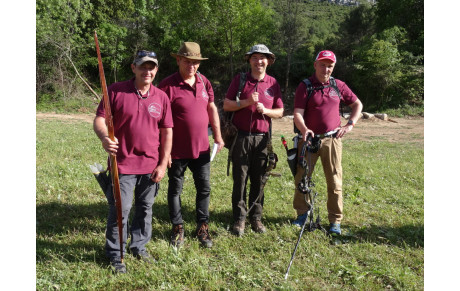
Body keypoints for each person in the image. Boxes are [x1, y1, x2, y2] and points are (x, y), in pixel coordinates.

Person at [93, 50, 173, 273]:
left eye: (152, 67)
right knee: (121, 210)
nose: (147, 71)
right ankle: (116, 254)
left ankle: (139, 247)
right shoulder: (116, 91)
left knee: (145, 209)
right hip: (123, 164)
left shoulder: (161, 97)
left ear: (156, 70)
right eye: (143, 66)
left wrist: (163, 161)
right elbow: (100, 119)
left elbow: (167, 131)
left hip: (150, 165)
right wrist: (105, 137)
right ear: (134, 68)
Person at [158, 42, 224, 248]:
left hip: (202, 148)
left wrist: (218, 136)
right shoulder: (167, 85)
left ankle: (202, 227)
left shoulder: (205, 82)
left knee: (204, 188)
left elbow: (211, 107)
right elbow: (159, 121)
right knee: (175, 189)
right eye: (188, 61)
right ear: (178, 60)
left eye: (196, 62)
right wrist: (164, 152)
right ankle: (177, 227)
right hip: (176, 150)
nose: (192, 66)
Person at [292, 50, 363, 235]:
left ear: (333, 67)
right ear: (315, 65)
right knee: (302, 178)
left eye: (330, 65)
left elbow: (358, 105)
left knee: (334, 181)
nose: (326, 69)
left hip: (332, 140)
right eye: (322, 64)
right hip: (308, 140)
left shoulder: (338, 86)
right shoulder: (305, 86)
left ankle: (335, 221)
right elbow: (298, 113)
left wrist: (350, 125)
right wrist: (304, 129)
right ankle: (302, 214)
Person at [223, 44, 284, 236]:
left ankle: (256, 217)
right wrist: (246, 102)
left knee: (259, 179)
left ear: (269, 61)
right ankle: (239, 219)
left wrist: (266, 111)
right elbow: (226, 104)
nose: (259, 61)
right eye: (255, 57)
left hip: (263, 139)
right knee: (240, 180)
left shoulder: (273, 83)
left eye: (263, 57)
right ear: (249, 60)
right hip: (241, 137)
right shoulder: (240, 80)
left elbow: (280, 111)